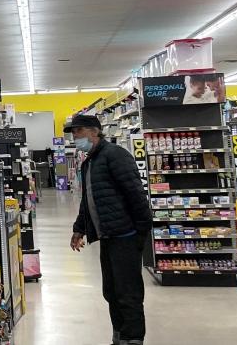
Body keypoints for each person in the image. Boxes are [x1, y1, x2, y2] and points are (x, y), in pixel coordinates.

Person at [68, 114, 152, 345]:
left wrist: (142, 231)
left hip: (125, 235)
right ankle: (119, 337)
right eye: (73, 132)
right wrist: (79, 229)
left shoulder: (115, 155)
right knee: (112, 291)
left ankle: (133, 338)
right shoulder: (90, 161)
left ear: (95, 131)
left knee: (128, 293)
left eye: (78, 131)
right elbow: (89, 200)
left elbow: (136, 194)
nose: (75, 136)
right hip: (107, 236)